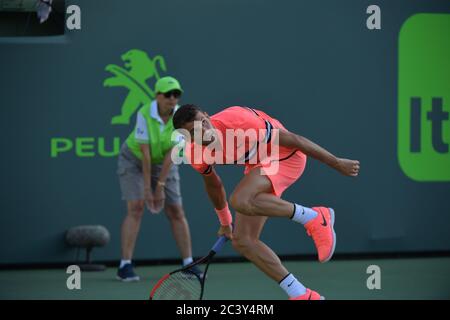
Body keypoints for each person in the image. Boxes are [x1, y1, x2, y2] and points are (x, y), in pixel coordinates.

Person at [172, 104, 360, 299]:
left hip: (286, 155)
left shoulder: (238, 121)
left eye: (204, 122)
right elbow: (214, 186)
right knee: (243, 241)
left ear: (207, 116)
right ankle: (301, 294)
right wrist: (226, 222)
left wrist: (336, 162)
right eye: (194, 132)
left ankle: (315, 217)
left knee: (240, 199)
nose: (204, 129)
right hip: (259, 164)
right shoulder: (194, 153)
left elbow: (295, 140)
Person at [116, 77, 201, 281]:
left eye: (176, 95)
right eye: (167, 94)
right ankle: (125, 265)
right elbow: (145, 154)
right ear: (157, 96)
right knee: (136, 207)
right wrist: (148, 189)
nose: (172, 99)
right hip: (134, 160)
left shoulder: (181, 118)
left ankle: (188, 263)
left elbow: (171, 154)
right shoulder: (145, 112)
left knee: (176, 210)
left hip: (166, 162)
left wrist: (160, 186)